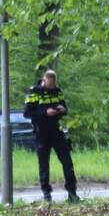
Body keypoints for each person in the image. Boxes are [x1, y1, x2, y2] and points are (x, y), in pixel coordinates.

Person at [23, 69, 80, 204]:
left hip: (57, 131)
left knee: (67, 162)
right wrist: (45, 112)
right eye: (49, 85)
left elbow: (64, 107)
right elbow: (27, 113)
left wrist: (62, 109)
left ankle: (72, 194)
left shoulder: (57, 91)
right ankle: (47, 196)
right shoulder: (34, 92)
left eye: (53, 85)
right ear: (44, 80)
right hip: (41, 132)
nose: (52, 87)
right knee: (44, 164)